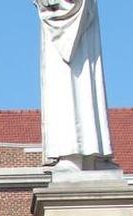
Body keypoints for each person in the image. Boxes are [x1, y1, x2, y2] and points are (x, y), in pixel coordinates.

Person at [36, 0, 115, 171]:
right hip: (80, 19)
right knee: (80, 83)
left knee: (67, 85)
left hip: (76, 17)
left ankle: (72, 153)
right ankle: (91, 155)